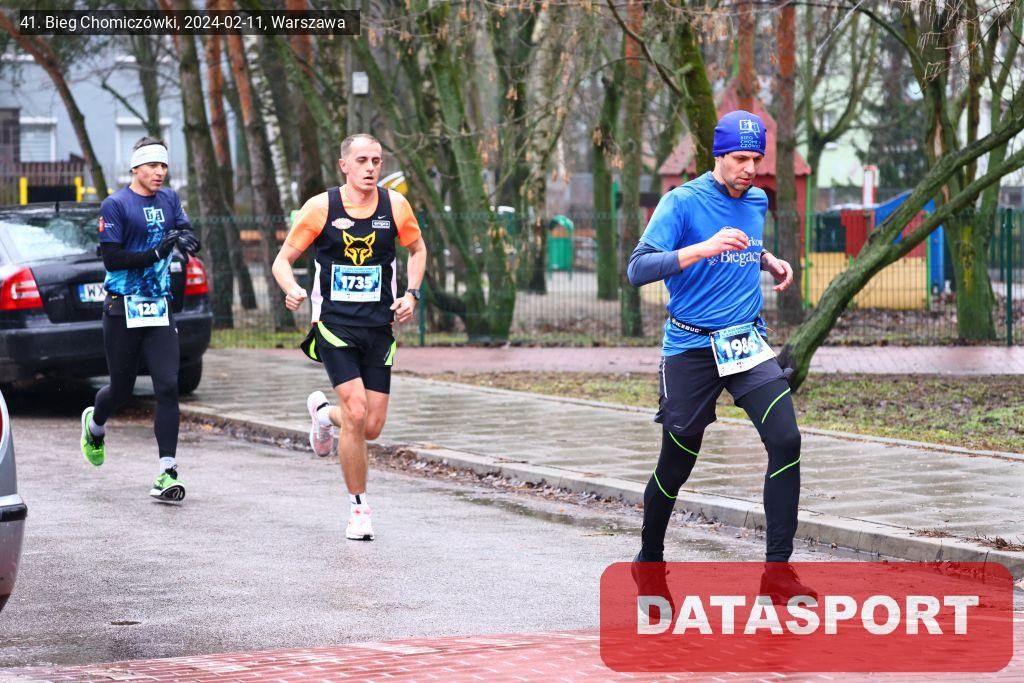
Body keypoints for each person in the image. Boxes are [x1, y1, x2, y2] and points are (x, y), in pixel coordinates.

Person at [626, 111, 815, 601]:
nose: (750, 169)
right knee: (677, 462)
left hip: (745, 342)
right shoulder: (681, 202)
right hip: (691, 347)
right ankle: (649, 561)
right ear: (718, 156)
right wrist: (702, 249)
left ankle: (778, 573)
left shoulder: (756, 200)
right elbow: (638, 268)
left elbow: (743, 245)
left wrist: (766, 259)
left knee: (786, 439)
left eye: (757, 159)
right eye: (740, 159)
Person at [272, 133, 426, 541]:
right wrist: (291, 288)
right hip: (334, 326)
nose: (370, 168)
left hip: (379, 328)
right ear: (344, 165)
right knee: (356, 412)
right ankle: (359, 509)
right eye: (361, 160)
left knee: (370, 426)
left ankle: (324, 416)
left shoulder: (396, 206)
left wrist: (411, 293)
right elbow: (282, 260)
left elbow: (418, 249)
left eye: (376, 160)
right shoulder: (321, 207)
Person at [80, 136, 201, 502]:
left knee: (167, 386)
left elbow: (183, 228)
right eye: (152, 165)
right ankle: (95, 425)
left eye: (163, 165)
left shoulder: (169, 199)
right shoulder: (116, 204)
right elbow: (112, 259)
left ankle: (167, 471)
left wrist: (189, 241)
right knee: (121, 389)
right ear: (136, 168)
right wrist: (154, 254)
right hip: (122, 308)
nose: (159, 172)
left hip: (159, 306)